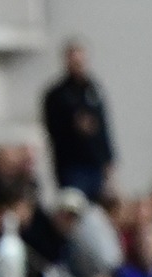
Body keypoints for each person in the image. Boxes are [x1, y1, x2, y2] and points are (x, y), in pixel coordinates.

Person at [42, 40, 115, 203]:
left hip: (95, 164)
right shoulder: (57, 94)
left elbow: (103, 127)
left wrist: (108, 161)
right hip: (72, 165)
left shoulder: (93, 89)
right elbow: (52, 130)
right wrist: (74, 126)